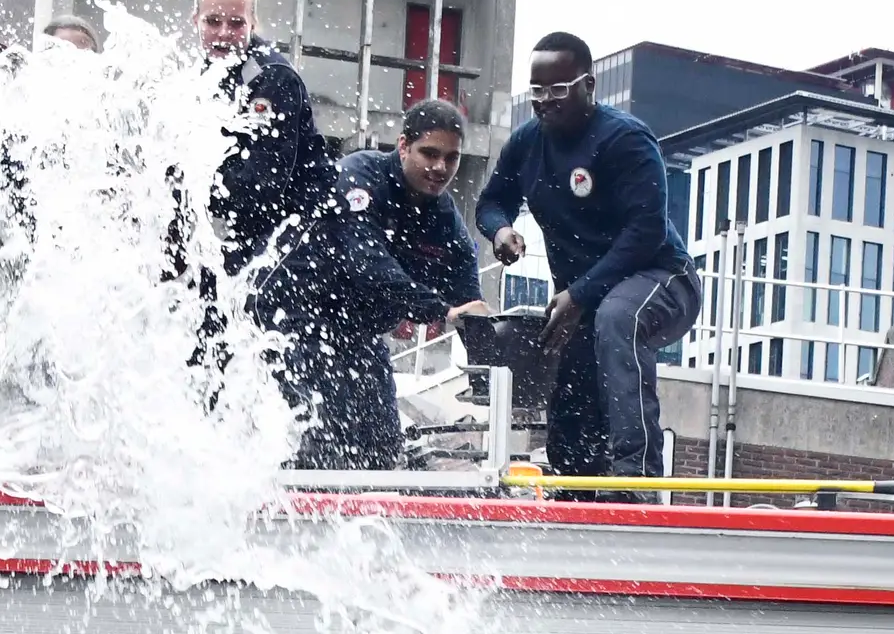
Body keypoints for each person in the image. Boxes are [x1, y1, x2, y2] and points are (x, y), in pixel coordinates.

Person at [184, 0, 386, 469]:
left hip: (301, 242)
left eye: (236, 23)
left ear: (252, 23)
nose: (225, 34)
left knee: (288, 359)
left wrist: (194, 184)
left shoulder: (272, 79)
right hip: (245, 242)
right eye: (214, 22)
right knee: (209, 341)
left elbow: (263, 185)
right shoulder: (194, 82)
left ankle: (314, 472)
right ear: (195, 21)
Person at [476, 32, 700, 478]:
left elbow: (647, 230)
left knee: (618, 318)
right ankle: (575, 486)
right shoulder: (525, 144)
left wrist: (579, 293)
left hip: (663, 277)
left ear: (588, 86)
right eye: (537, 91)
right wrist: (501, 230)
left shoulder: (626, 140)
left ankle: (636, 478)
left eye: (558, 90)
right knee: (573, 377)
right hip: (586, 298)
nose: (545, 101)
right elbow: (490, 202)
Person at [296, 96, 494, 469]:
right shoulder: (358, 176)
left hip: (361, 338)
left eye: (451, 158)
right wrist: (441, 310)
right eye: (429, 153)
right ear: (403, 146)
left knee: (383, 451)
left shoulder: (446, 219)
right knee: (319, 446)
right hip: (301, 326)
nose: (440, 168)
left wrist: (491, 368)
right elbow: (369, 268)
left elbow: (468, 301)